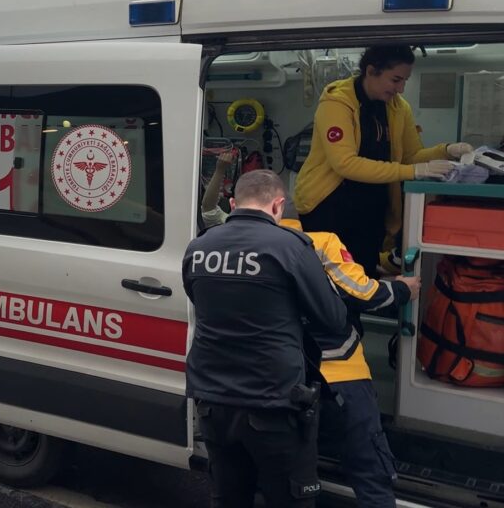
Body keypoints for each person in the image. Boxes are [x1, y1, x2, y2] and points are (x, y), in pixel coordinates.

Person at [183, 170, 349, 507]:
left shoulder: (199, 247)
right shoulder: (291, 247)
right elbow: (332, 319)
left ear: (233, 204)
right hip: (273, 402)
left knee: (229, 499)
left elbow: (200, 300)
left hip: (214, 402)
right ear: (278, 205)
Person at [279, 205, 418, 508]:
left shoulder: (251, 250)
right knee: (370, 473)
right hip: (342, 377)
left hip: (283, 380)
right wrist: (403, 290)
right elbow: (363, 293)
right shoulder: (322, 242)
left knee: (292, 477)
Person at [294, 45, 473, 277]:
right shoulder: (337, 103)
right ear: (371, 71)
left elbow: (410, 157)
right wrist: (414, 171)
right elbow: (345, 164)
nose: (401, 89)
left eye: (405, 81)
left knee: (363, 277)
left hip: (371, 208)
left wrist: (446, 150)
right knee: (328, 282)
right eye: (396, 80)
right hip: (329, 207)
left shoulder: (399, 108)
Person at [200, 149, 237, 228]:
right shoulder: (231, 221)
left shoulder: (231, 222)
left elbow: (209, 210)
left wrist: (220, 170)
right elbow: (209, 209)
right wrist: (220, 170)